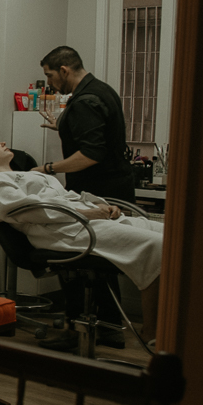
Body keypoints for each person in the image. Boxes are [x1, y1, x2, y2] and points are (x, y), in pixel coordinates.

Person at [0, 137, 159, 344]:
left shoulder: (33, 175)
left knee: (174, 237)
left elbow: (69, 196)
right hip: (63, 232)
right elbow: (32, 211)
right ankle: (152, 333)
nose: (2, 143)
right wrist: (88, 213)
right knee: (156, 246)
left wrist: (102, 205)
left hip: (83, 221)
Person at [34, 46, 136, 346]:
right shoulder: (102, 90)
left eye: (50, 75)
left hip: (100, 190)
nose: (50, 82)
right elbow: (97, 135)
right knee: (103, 261)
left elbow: (91, 153)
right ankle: (108, 328)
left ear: (64, 70)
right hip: (114, 185)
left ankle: (76, 330)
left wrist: (48, 168)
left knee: (80, 260)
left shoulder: (85, 101)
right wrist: (64, 126)